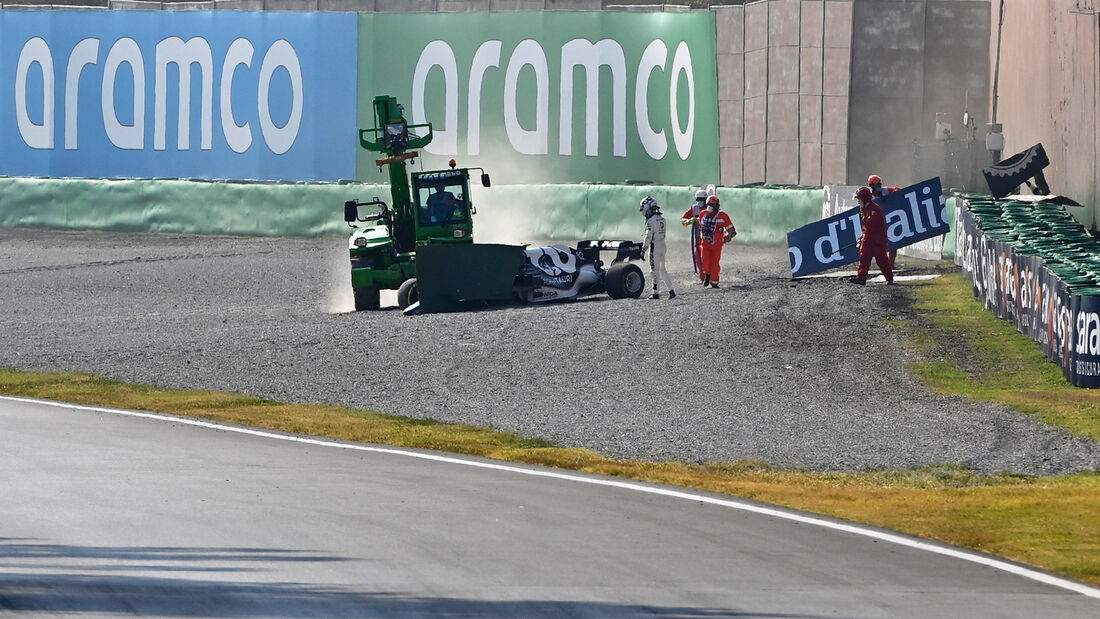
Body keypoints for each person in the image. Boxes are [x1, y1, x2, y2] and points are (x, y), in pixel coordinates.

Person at [850, 186, 894, 285]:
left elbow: (871, 225)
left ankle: (889, 278)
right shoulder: (863, 208)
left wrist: (864, 235)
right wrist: (863, 236)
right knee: (864, 258)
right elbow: (866, 225)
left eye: (859, 199)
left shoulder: (874, 209)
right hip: (868, 237)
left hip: (877, 239)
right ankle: (861, 278)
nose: (858, 201)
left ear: (864, 198)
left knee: (881, 259)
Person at [640, 196, 675, 300]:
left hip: (654, 246)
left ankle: (655, 293)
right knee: (663, 269)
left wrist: (643, 249)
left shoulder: (650, 221)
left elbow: (648, 236)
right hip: (663, 245)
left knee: (653, 270)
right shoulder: (663, 219)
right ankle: (671, 290)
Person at [697, 195, 736, 289]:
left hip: (717, 244)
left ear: (717, 206)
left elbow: (732, 231)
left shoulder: (723, 215)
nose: (710, 207)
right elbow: (699, 226)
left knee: (715, 262)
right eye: (709, 204)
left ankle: (714, 282)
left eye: (712, 205)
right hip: (705, 243)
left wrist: (728, 236)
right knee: (705, 261)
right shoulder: (702, 214)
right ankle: (707, 274)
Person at [868, 174, 900, 267]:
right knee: (880, 244)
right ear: (871, 186)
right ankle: (884, 262)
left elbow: (897, 189)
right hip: (877, 223)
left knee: (893, 241)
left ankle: (891, 263)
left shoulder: (885, 191)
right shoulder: (869, 196)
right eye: (875, 185)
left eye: (879, 184)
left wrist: (895, 193)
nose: (878, 187)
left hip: (890, 220)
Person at [681, 189, 708, 282]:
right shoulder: (694, 208)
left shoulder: (711, 208)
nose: (700, 201)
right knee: (698, 255)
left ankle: (710, 274)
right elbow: (683, 219)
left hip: (710, 237)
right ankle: (703, 275)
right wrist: (688, 221)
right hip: (698, 237)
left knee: (708, 256)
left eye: (702, 199)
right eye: (698, 199)